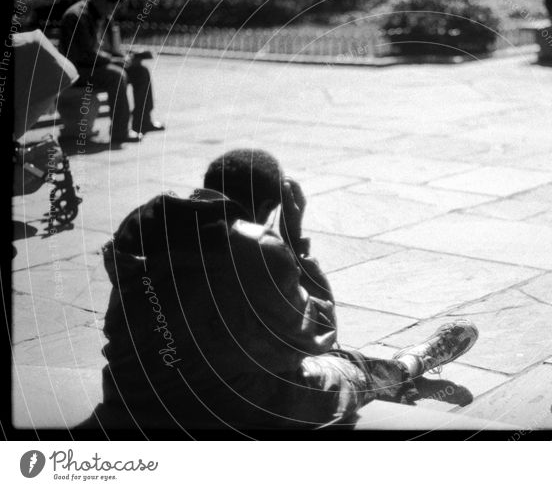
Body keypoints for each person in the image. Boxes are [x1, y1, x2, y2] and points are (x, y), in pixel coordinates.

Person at [82, 149, 479, 430]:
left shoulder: (143, 226)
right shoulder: (257, 247)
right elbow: (321, 333)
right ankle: (410, 367)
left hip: (132, 393)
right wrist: (293, 239)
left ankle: (401, 375)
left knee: (287, 350)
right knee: (341, 367)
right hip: (229, 412)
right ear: (272, 206)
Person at [59, 0, 164, 143]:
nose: (112, 11)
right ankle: (120, 131)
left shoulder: (103, 16)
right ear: (102, 1)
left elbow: (110, 48)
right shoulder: (76, 16)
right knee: (116, 76)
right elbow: (84, 54)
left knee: (140, 71)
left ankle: (143, 120)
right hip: (78, 69)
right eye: (112, 6)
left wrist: (127, 57)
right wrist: (114, 60)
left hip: (97, 64)